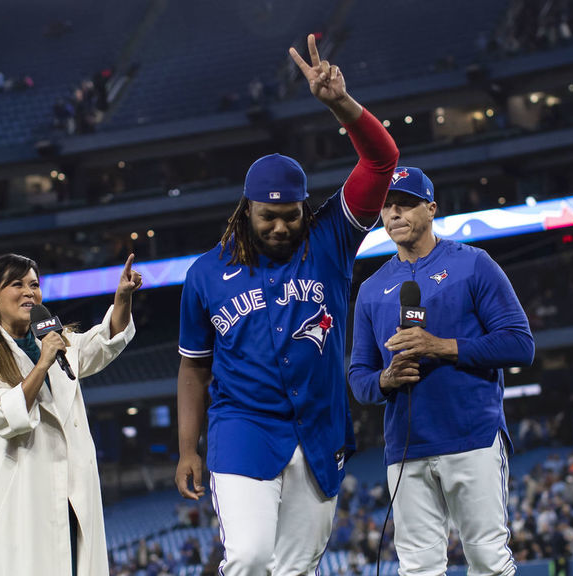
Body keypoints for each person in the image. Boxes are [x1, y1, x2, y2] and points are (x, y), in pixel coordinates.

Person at [175, 34, 399, 575]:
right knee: (249, 556)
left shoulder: (330, 240)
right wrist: (187, 448)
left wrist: (340, 104)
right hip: (243, 427)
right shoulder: (206, 272)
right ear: (245, 210)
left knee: (296, 567)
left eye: (291, 214)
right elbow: (192, 368)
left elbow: (382, 160)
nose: (280, 226)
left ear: (305, 208)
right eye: (267, 216)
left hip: (319, 431)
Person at [349, 167, 535, 576]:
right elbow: (359, 377)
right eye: (387, 206)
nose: (394, 213)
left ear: (431, 209)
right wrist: (385, 379)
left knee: (487, 558)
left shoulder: (473, 265)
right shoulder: (370, 289)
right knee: (417, 568)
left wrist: (442, 347)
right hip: (406, 447)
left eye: (406, 204)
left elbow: (521, 344)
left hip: (472, 437)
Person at [0, 252, 141, 576]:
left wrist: (122, 300)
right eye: (17, 284)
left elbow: (104, 342)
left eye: (34, 284)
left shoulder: (55, 341)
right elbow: (4, 416)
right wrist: (43, 362)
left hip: (72, 493)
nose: (29, 292)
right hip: (22, 499)